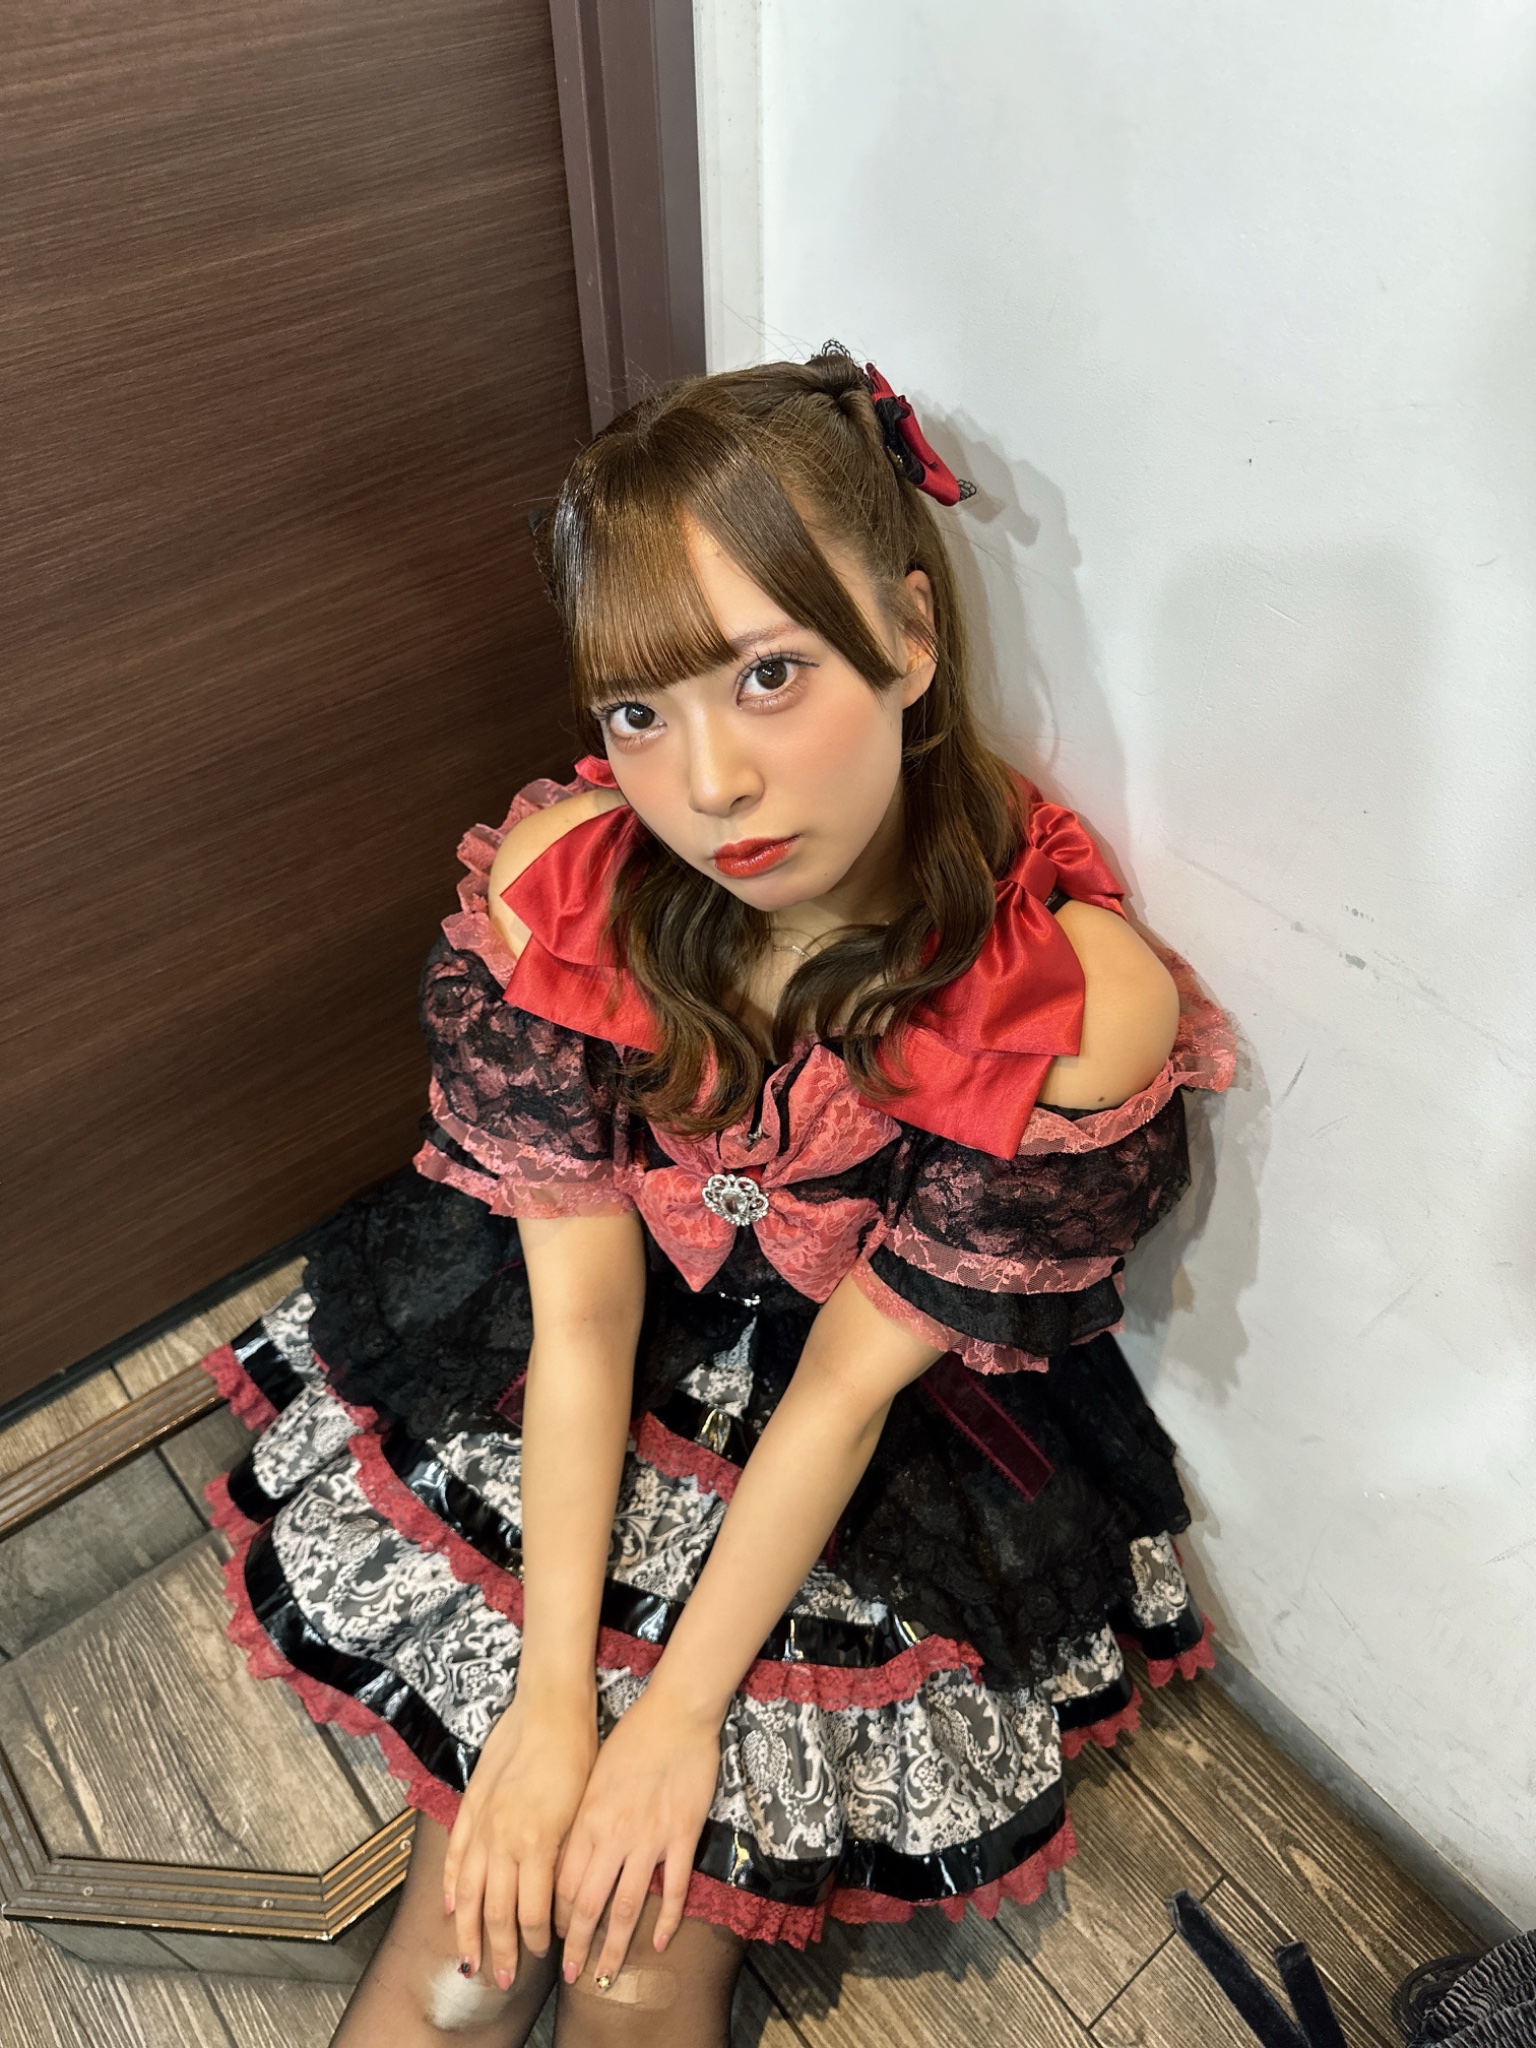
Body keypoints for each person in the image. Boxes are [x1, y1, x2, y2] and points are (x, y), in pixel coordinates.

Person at [201, 345, 1234, 2046]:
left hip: (868, 1432)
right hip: (602, 1353)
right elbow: (583, 1317)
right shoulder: (572, 898)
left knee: (635, 1966)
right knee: (465, 1957)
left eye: (769, 675)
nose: (708, 787)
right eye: (639, 711)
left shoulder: (1053, 1009)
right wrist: (550, 1706)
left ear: (908, 636)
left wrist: (673, 1723)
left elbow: (843, 1392)